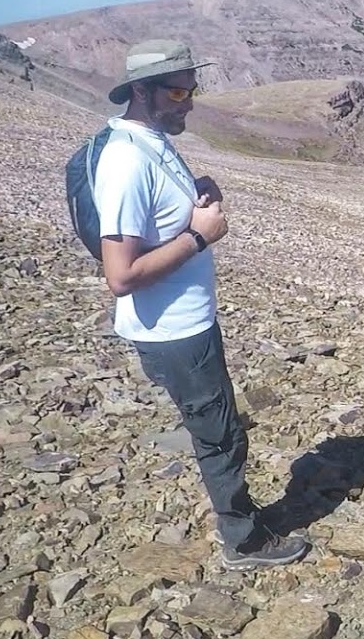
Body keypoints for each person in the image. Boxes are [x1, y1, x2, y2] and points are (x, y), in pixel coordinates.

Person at [93, 39, 310, 571]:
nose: (188, 101)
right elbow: (120, 276)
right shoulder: (124, 160)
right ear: (140, 92)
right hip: (174, 330)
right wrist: (199, 236)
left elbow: (152, 221)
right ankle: (245, 541)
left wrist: (194, 193)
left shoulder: (148, 139)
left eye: (192, 88)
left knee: (215, 421)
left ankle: (239, 519)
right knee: (219, 433)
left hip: (184, 323)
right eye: (176, 91)